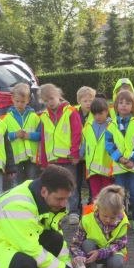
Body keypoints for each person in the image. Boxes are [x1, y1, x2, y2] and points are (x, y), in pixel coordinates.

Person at [70, 185, 129, 268]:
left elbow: (120, 244)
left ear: (119, 211)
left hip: (111, 253)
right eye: (105, 216)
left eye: (112, 217)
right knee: (87, 243)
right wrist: (79, 256)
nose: (108, 220)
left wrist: (100, 253)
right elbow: (75, 243)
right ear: (98, 207)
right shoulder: (87, 219)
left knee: (117, 262)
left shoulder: (123, 221)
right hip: (90, 252)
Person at [37, 84, 83, 224]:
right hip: (53, 160)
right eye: (46, 101)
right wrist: (44, 161)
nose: (49, 102)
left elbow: (77, 133)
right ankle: (58, 212)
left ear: (58, 95)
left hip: (68, 158)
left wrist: (75, 153)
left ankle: (74, 212)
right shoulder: (44, 116)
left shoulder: (70, 111)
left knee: (71, 185)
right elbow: (44, 139)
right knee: (55, 188)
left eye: (51, 98)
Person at [109, 89, 134, 233]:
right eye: (121, 103)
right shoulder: (111, 125)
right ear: (116, 106)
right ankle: (121, 220)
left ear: (133, 106)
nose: (124, 105)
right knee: (120, 195)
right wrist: (119, 158)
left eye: (127, 103)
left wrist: (132, 160)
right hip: (119, 166)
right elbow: (109, 144)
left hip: (133, 166)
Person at [2, 83, 41, 187]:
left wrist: (29, 136)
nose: (20, 104)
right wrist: (15, 134)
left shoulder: (34, 117)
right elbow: (3, 137)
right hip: (15, 158)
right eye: (17, 101)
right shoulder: (6, 118)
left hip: (31, 157)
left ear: (28, 100)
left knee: (31, 183)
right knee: (16, 185)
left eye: (23, 102)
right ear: (12, 99)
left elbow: (41, 135)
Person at [81, 96, 119, 199]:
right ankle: (96, 209)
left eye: (100, 113)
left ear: (106, 111)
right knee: (95, 195)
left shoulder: (112, 126)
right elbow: (85, 142)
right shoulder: (88, 126)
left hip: (108, 169)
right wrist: (80, 154)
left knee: (108, 194)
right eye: (94, 114)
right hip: (93, 169)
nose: (97, 117)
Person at [75, 86, 97, 205]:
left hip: (90, 153)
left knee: (90, 179)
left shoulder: (96, 113)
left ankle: (91, 202)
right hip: (77, 152)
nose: (88, 103)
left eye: (91, 100)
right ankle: (77, 204)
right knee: (76, 180)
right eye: (85, 101)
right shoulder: (73, 113)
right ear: (79, 101)